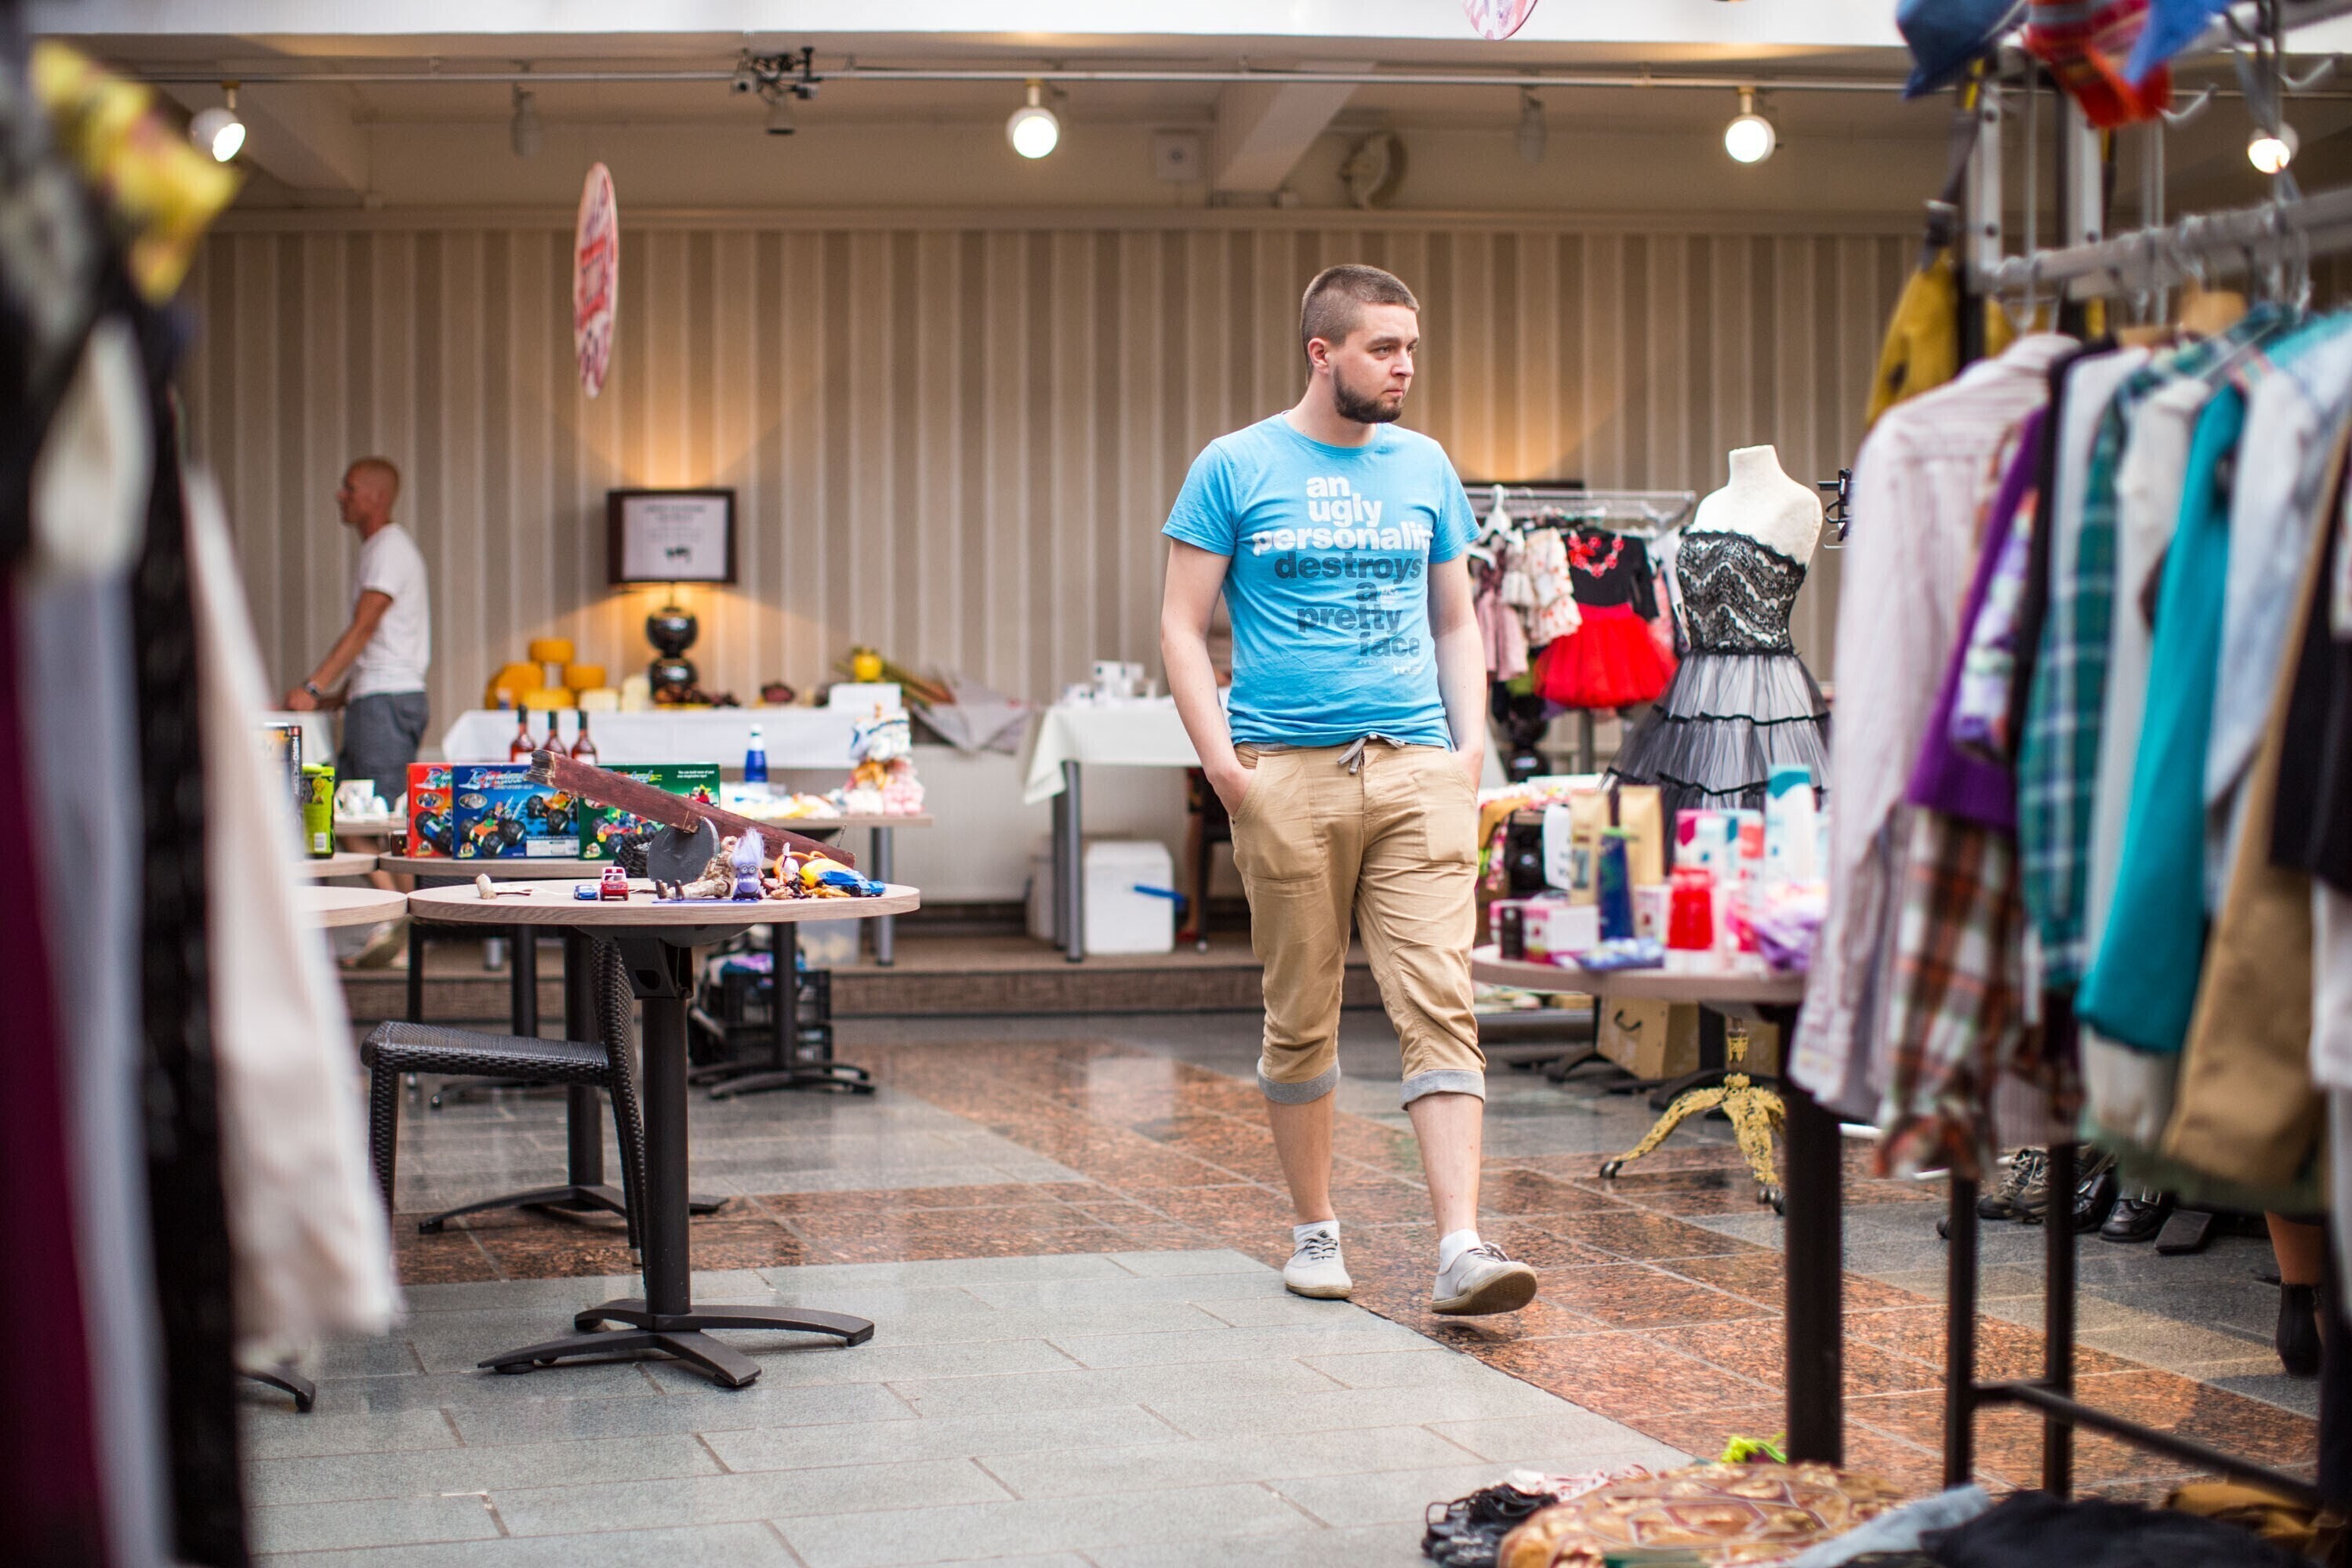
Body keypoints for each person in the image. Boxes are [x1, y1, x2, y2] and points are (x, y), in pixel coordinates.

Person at [1160, 264, 1535, 1316]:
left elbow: (1455, 620)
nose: (1405, 366)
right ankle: (1315, 1229)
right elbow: (1182, 627)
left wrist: (1469, 752)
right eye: (1383, 348)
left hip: (1418, 766)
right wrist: (1228, 770)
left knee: (1443, 1002)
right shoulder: (1235, 464)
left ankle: (1460, 1244)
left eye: (1411, 347)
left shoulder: (1425, 466)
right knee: (1301, 1013)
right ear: (1322, 353)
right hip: (1287, 773)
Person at [282, 457, 431, 793]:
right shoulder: (381, 548)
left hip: (384, 704)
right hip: (377, 701)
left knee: (375, 812)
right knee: (349, 809)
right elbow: (382, 639)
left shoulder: (389, 548)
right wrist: (339, 696)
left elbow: (364, 627)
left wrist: (312, 689)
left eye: (350, 488)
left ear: (377, 497)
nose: (340, 495)